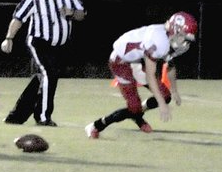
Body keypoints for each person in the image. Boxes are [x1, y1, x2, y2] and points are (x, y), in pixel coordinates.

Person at [85, 11, 198, 139]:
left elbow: (170, 64)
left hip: (139, 60)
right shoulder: (158, 40)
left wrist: (174, 90)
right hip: (121, 61)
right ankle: (96, 125)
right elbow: (150, 76)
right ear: (174, 30)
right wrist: (161, 104)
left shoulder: (170, 40)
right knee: (134, 107)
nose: (184, 43)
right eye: (183, 37)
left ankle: (137, 115)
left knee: (166, 96)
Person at [0, 0, 86, 126]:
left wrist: (72, 13)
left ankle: (17, 115)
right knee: (50, 74)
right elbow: (18, 18)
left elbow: (82, 14)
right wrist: (9, 38)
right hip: (38, 42)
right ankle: (43, 116)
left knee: (41, 78)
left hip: (59, 46)